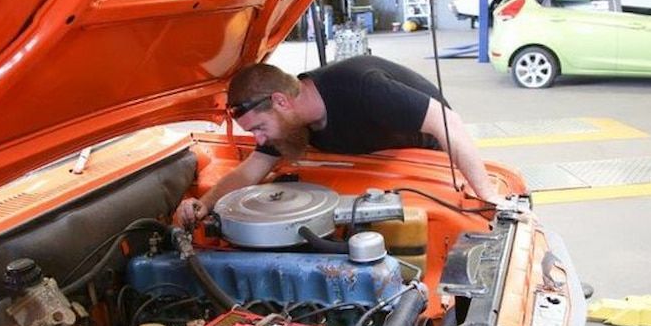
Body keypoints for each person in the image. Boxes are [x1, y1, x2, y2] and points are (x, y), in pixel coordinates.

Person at [177, 55, 504, 227]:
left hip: (424, 166)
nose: (259, 139)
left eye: (259, 128)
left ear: (281, 101)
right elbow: (249, 172)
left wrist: (486, 195)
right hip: (371, 170)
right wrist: (205, 204)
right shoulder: (291, 124)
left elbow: (447, 122)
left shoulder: (361, 87)